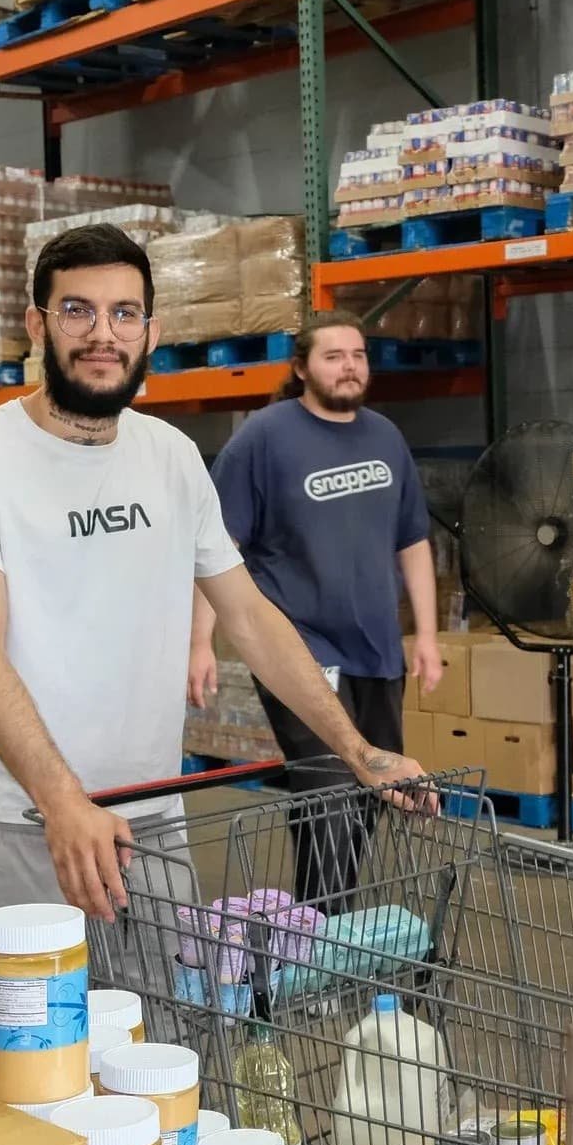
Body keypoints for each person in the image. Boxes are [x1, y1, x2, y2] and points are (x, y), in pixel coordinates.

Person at [0, 224, 429, 921]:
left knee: (164, 1028)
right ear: (37, 323)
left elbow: (248, 615)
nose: (104, 333)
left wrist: (360, 751)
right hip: (25, 823)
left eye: (124, 313)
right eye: (77, 310)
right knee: (23, 1032)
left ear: (150, 332)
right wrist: (63, 800)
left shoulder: (173, 456)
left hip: (153, 822)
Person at [190, 311, 443, 899]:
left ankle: (321, 927)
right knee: (329, 795)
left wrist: (426, 635)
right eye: (333, 355)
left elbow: (413, 541)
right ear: (302, 367)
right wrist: (200, 641)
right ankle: (321, 941)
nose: (349, 365)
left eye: (357, 354)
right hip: (299, 648)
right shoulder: (265, 437)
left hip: (377, 650)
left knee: (372, 792)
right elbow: (218, 548)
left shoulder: (385, 436)